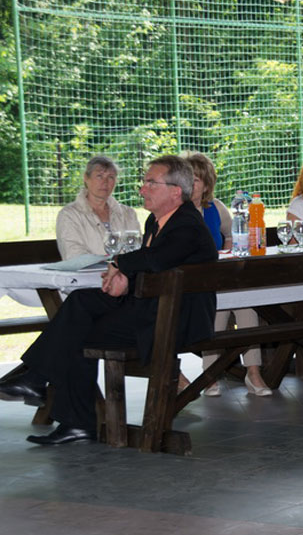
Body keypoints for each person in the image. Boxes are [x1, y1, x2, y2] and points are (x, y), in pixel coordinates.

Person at [0, 155, 217, 445]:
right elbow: (155, 268)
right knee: (80, 302)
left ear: (175, 192)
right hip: (154, 307)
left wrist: (119, 265)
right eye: (144, 182)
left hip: (173, 320)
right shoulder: (157, 220)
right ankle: (38, 383)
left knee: (77, 331)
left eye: (151, 183)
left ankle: (61, 405)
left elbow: (156, 259)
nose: (142, 189)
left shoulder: (187, 224)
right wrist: (125, 281)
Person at [185, 153, 271, 397]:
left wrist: (226, 250)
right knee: (215, 309)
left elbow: (232, 234)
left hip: (218, 277)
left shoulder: (216, 208)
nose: (191, 185)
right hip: (192, 284)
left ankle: (253, 372)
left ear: (206, 185)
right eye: (187, 179)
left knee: (246, 305)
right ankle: (210, 375)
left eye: (196, 180)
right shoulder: (176, 211)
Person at [55, 155, 141, 260]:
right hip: (89, 272)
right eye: (99, 176)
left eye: (110, 177)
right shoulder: (69, 215)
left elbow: (138, 252)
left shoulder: (128, 214)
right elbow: (73, 255)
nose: (105, 182)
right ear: (86, 178)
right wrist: (113, 265)